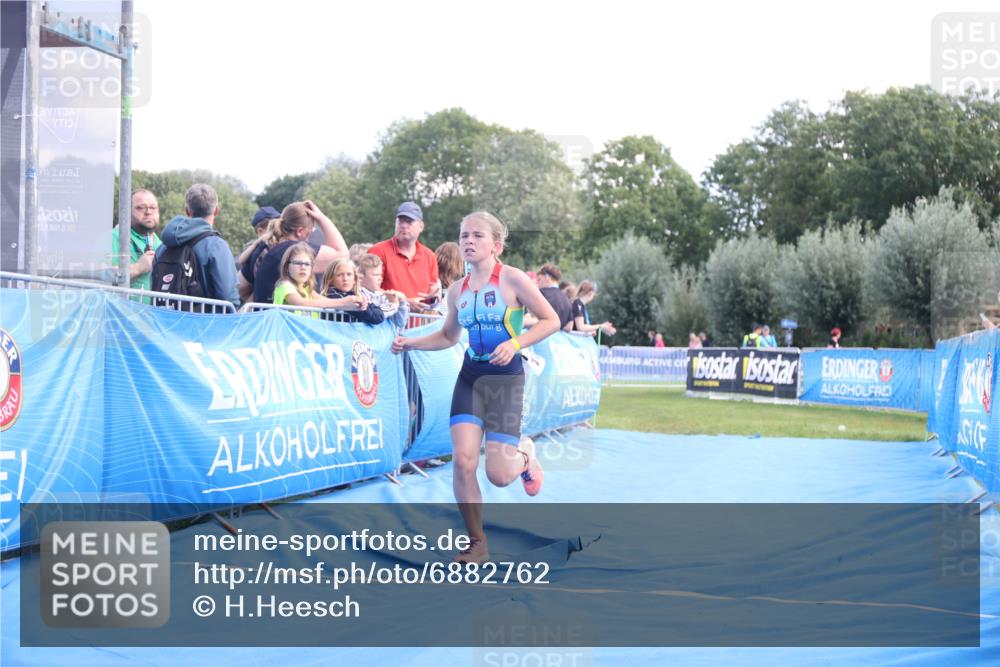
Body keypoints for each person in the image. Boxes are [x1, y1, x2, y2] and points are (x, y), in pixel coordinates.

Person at [391, 211, 560, 564]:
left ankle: (525, 453)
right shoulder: (457, 291)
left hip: (505, 381)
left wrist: (516, 344)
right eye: (464, 234)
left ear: (496, 245)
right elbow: (449, 336)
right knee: (464, 462)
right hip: (470, 378)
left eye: (477, 236)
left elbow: (552, 320)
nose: (468, 241)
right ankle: (477, 542)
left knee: (498, 476)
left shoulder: (513, 280)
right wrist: (412, 342)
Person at [245, 200, 349, 304]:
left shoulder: (264, 248)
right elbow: (342, 256)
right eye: (311, 229)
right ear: (299, 231)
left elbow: (242, 286)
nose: (303, 266)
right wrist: (322, 218)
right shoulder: (294, 250)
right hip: (279, 319)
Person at [154, 184, 239, 308]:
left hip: (165, 322)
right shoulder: (216, 246)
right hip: (204, 324)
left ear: (187, 211)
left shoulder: (163, 247)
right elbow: (227, 297)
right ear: (216, 210)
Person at [369, 202, 440, 313]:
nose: (403, 225)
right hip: (387, 325)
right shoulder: (378, 251)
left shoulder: (430, 256)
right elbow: (370, 290)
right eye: (400, 221)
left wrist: (433, 300)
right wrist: (405, 303)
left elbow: (432, 292)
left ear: (421, 226)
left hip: (420, 326)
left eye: (409, 221)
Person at [271, 242, 368, 313]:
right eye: (298, 263)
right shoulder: (285, 285)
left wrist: (353, 302)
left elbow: (327, 302)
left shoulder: (306, 288)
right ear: (287, 267)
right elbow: (301, 303)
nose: (303, 267)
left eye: (307, 264)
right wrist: (343, 301)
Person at [111, 189, 162, 291]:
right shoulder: (114, 237)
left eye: (153, 207)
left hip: (153, 307)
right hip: (121, 306)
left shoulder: (162, 245)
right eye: (140, 208)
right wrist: (138, 268)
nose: (148, 212)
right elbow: (102, 277)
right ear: (127, 212)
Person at [321, 258, 385, 325]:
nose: (345, 279)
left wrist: (365, 307)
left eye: (349, 274)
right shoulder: (331, 295)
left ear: (355, 279)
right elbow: (374, 317)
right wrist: (364, 308)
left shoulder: (357, 295)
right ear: (330, 279)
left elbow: (380, 315)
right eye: (339, 275)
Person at [357, 253, 409, 327]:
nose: (380, 278)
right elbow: (374, 313)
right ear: (360, 277)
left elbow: (399, 323)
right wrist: (393, 305)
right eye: (375, 275)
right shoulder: (358, 293)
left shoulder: (383, 296)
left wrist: (402, 301)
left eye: (380, 274)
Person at [526, 263, 572, 330]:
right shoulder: (567, 299)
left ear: (547, 277)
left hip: (539, 337)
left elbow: (531, 318)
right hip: (559, 338)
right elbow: (569, 327)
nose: (538, 284)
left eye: (539, 279)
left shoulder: (541, 293)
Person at [235, 206, 280, 272]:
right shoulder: (252, 246)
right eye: (274, 228)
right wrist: (256, 244)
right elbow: (240, 261)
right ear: (260, 231)